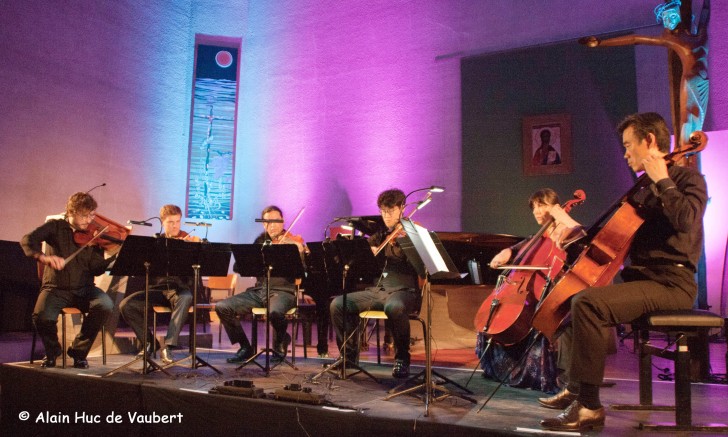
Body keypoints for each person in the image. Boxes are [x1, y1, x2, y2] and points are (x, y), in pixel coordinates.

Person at [539, 112, 707, 432]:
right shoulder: (643, 189)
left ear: (649, 142)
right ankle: (577, 390)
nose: (626, 152)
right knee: (577, 299)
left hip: (673, 284)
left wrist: (663, 179)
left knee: (587, 303)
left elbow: (686, 218)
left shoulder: (687, 180)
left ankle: (588, 406)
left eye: (629, 145)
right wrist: (577, 237)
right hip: (643, 282)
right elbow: (615, 239)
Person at [477, 188, 577, 392]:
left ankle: (550, 376)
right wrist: (506, 252)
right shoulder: (537, 238)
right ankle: (500, 369)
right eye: (534, 208)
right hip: (525, 290)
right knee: (490, 318)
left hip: (554, 293)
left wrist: (565, 220)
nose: (537, 211)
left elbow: (584, 241)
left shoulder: (567, 234)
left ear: (556, 207)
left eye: (542, 205)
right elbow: (516, 249)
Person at [329, 188, 422, 378]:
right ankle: (349, 356)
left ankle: (402, 358)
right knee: (338, 304)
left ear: (402, 208)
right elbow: (361, 254)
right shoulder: (380, 235)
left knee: (394, 306)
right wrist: (364, 252)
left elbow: (420, 265)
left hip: (404, 290)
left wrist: (408, 244)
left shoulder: (412, 231)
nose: (386, 216)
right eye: (383, 211)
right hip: (379, 290)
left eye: (391, 211)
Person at [20, 192, 115, 369]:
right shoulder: (55, 227)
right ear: (71, 212)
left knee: (105, 305)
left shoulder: (92, 236)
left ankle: (79, 352)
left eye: (92, 215)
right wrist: (43, 257)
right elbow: (27, 240)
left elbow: (96, 268)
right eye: (85, 215)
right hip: (56, 287)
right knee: (41, 317)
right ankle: (53, 350)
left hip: (85, 289)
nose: (89, 220)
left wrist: (113, 260)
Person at [216, 205, 305, 363]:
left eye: (276, 221)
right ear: (264, 224)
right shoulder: (261, 240)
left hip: (283, 291)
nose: (272, 225)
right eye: (267, 222)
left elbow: (302, 271)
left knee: (275, 312)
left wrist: (300, 252)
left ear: (283, 222)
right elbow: (240, 266)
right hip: (259, 291)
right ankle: (245, 347)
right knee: (223, 306)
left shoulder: (293, 243)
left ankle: (281, 340)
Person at [119, 204, 197, 364]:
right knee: (126, 305)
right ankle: (149, 342)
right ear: (162, 222)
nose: (175, 226)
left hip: (178, 289)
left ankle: (168, 346)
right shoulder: (154, 244)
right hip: (157, 290)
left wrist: (196, 247)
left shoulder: (188, 242)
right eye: (170, 222)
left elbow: (195, 270)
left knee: (186, 297)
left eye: (177, 221)